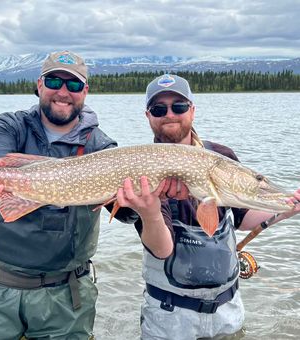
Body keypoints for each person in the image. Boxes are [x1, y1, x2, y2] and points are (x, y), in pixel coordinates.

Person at [116, 74, 300, 339]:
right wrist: (150, 211)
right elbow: (162, 249)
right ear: (148, 115)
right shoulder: (144, 170)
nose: (170, 114)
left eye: (178, 106)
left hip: (228, 311)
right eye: (159, 109)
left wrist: (287, 206)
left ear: (192, 109)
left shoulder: (221, 157)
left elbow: (243, 217)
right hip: (169, 317)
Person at [0, 50, 137, 340]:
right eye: (55, 81)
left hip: (66, 296)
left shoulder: (103, 147)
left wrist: (142, 203)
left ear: (85, 91)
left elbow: (128, 214)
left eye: (73, 85)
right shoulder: (10, 125)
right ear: (39, 84)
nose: (63, 92)